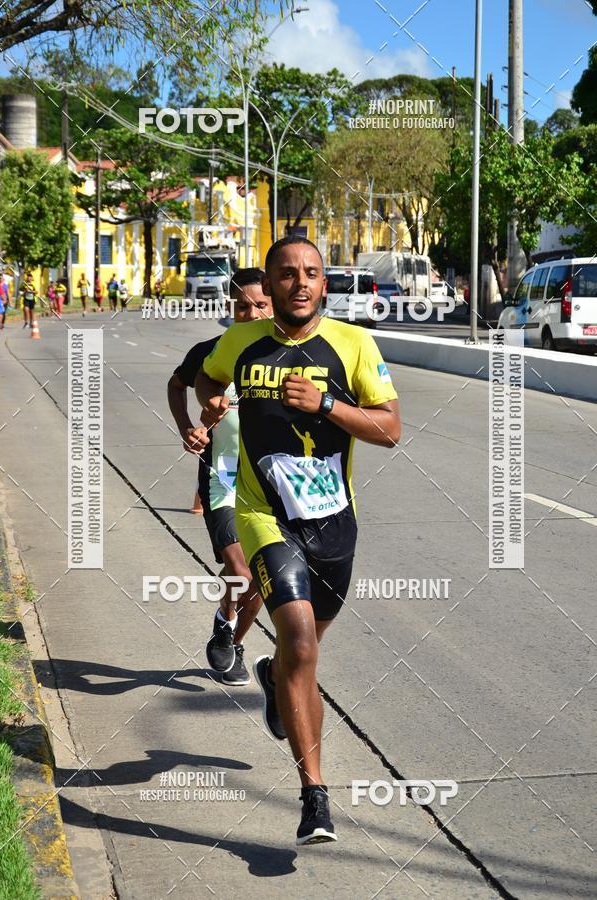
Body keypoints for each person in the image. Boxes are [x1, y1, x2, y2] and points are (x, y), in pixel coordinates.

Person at [195, 235, 401, 845]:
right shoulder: (240, 342)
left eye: (312, 273)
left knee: (301, 651)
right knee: (302, 644)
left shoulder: (354, 344)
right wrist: (210, 409)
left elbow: (389, 429)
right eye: (288, 274)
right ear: (272, 282)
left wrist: (329, 403)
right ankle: (315, 797)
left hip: (334, 522)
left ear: (324, 284)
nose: (302, 283)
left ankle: (273, 679)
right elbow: (206, 380)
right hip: (265, 516)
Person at [168, 268, 273, 685]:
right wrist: (188, 430)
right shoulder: (210, 351)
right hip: (223, 478)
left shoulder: (285, 354)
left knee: (264, 579)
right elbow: (176, 386)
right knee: (242, 571)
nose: (250, 313)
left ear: (273, 303)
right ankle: (226, 623)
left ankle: (229, 633)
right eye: (241, 306)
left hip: (270, 487)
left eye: (259, 305)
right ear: (230, 307)